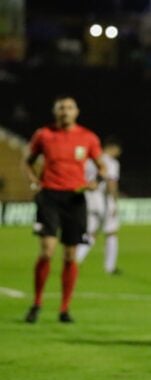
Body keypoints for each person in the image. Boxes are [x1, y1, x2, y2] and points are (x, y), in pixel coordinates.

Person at [23, 96, 105, 323]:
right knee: (46, 250)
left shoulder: (88, 137)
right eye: (61, 108)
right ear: (55, 112)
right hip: (49, 196)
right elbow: (28, 161)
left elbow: (102, 167)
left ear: (76, 112)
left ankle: (64, 308)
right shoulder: (44, 135)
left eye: (69, 108)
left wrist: (96, 182)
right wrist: (33, 182)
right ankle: (37, 303)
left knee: (70, 256)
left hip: (75, 198)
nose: (65, 111)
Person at [76, 138, 122, 274]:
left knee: (91, 232)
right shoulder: (111, 162)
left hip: (88, 198)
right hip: (103, 200)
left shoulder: (91, 159)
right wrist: (114, 202)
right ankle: (110, 267)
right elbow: (111, 183)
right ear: (113, 148)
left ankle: (75, 261)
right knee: (111, 232)